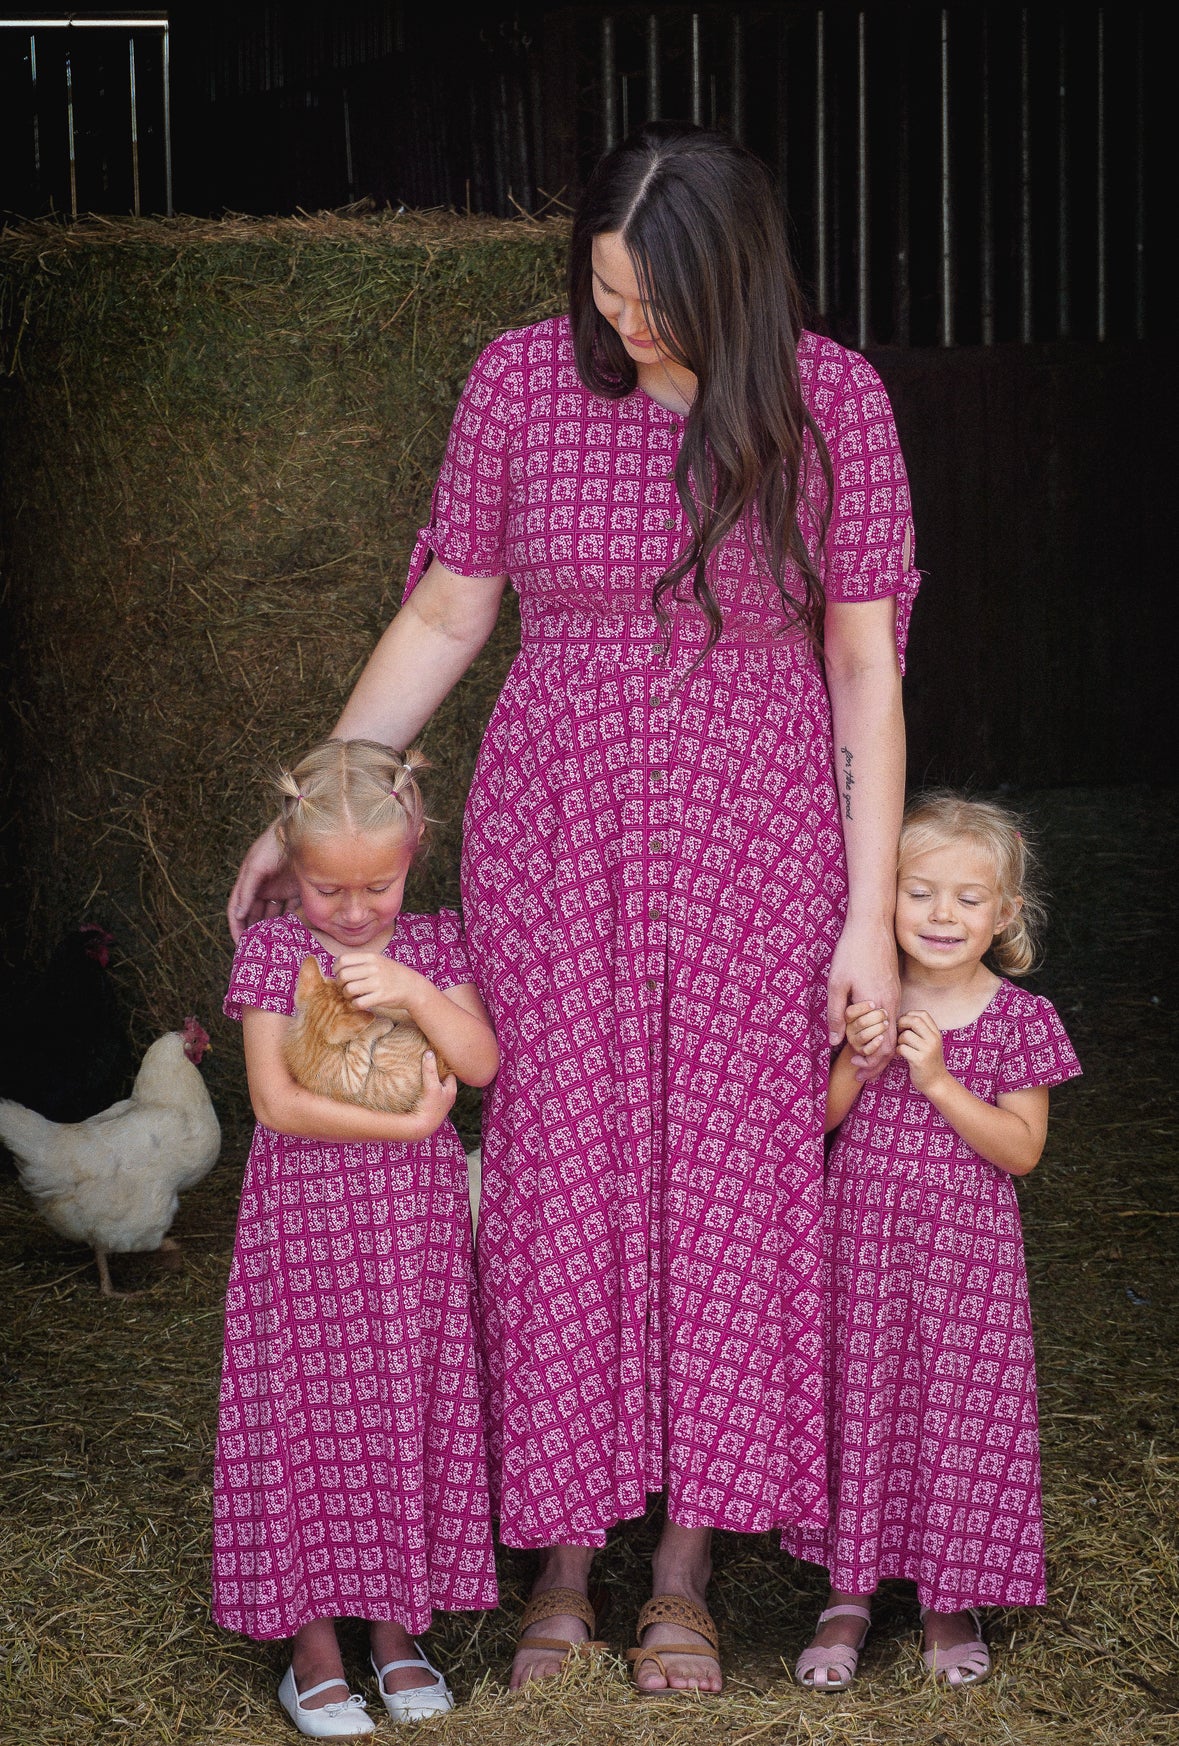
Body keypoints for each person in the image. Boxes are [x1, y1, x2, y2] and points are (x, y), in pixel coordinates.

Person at [229, 122, 919, 1694]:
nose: (623, 327)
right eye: (603, 293)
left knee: (732, 1187)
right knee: (553, 1176)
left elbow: (864, 669)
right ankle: (557, 1557)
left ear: (731, 287)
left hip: (760, 845)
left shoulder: (834, 406)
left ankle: (681, 1566)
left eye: (652, 304)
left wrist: (864, 916)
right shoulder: (516, 381)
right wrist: (322, 798)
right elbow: (450, 603)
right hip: (558, 840)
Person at [215, 739, 500, 1737]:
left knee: (396, 1415)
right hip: (303, 1228)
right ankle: (313, 1652)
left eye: (373, 886)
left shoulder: (434, 945)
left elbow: (481, 1057)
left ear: (412, 855)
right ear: (290, 875)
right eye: (326, 889)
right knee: (307, 1420)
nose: (349, 909)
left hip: (409, 1241)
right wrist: (411, 1129)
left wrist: (416, 992)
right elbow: (274, 1103)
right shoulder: (273, 954)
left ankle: (394, 1636)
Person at [788, 792, 1081, 1692]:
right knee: (860, 1403)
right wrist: (857, 1061)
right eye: (918, 893)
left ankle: (948, 1595)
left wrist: (939, 1081)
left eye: (966, 898)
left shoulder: (1021, 1019)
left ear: (1004, 914)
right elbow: (814, 1123)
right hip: (859, 1250)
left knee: (956, 1415)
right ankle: (847, 1594)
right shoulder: (861, 1001)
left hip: (967, 1265)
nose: (942, 916)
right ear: (881, 900)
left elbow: (1021, 1152)